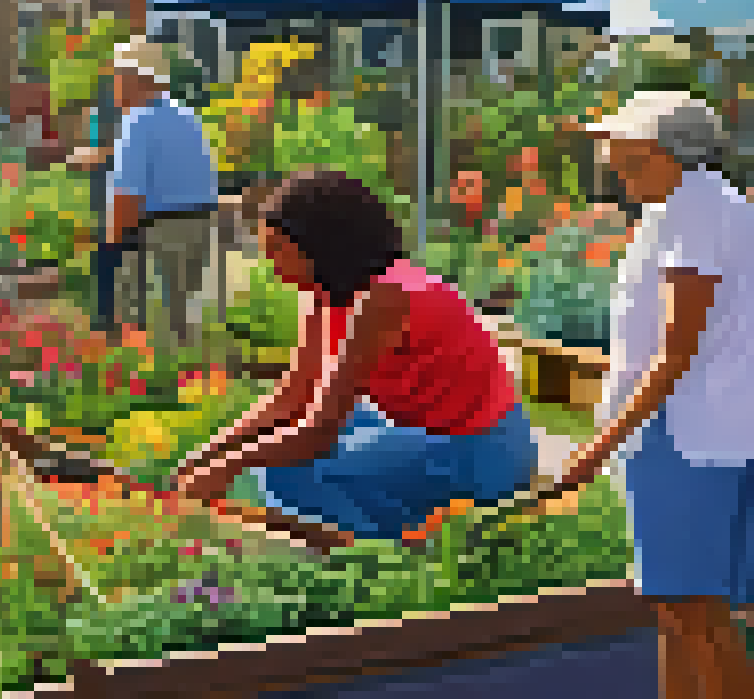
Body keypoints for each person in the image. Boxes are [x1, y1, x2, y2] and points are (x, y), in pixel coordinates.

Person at [530, 93, 754, 699]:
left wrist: (589, 455)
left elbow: (675, 352)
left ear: (673, 151)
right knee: (676, 614)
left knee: (701, 619)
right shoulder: (683, 207)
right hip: (680, 435)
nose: (618, 167)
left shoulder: (696, 209)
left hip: (686, 436)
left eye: (631, 154)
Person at [171, 169, 539, 541]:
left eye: (279, 249)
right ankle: (373, 530)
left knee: (286, 470)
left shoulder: (382, 300)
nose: (272, 263)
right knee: (320, 433)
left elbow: (317, 431)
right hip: (424, 431)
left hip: (480, 453)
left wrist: (229, 465)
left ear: (320, 245)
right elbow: (293, 400)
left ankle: (377, 555)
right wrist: (208, 453)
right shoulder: (323, 294)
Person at [89, 38, 218, 348]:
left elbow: (126, 197)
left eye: (117, 78)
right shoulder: (190, 118)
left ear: (137, 80)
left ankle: (114, 355)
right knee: (180, 326)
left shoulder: (137, 121)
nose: (114, 87)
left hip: (158, 231)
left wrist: (110, 245)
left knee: (113, 277)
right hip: (198, 227)